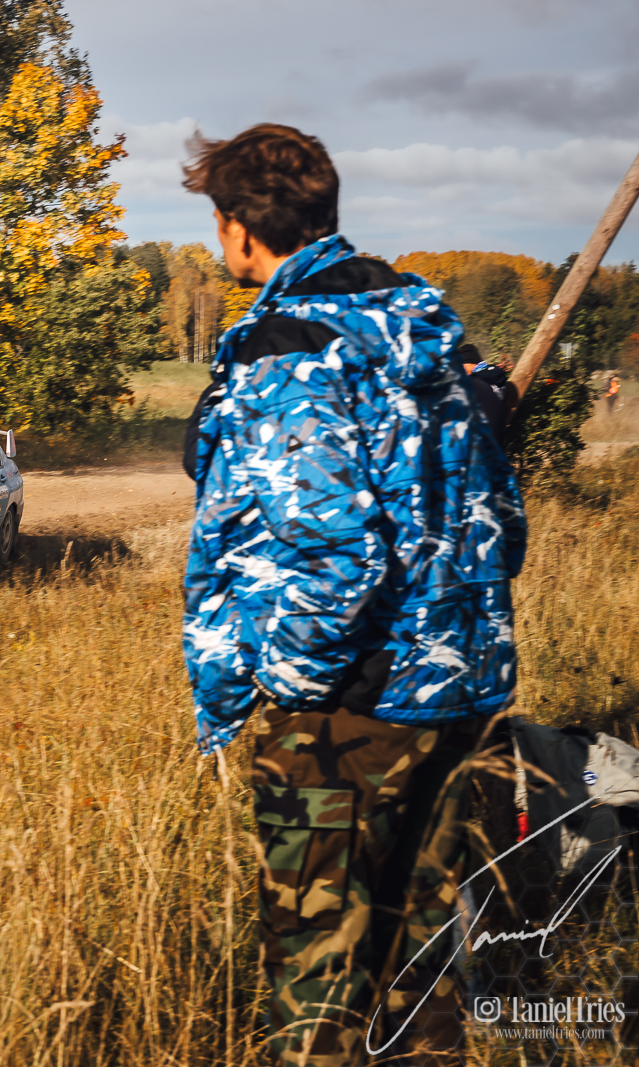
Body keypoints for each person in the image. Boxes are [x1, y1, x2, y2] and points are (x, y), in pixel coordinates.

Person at [180, 124, 528, 1066]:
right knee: (423, 977)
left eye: (218, 222)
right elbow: (502, 523)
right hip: (457, 690)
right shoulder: (425, 329)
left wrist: (288, 693)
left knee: (319, 988)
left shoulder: (286, 348)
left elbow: (333, 554)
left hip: (347, 712)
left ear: (239, 226)